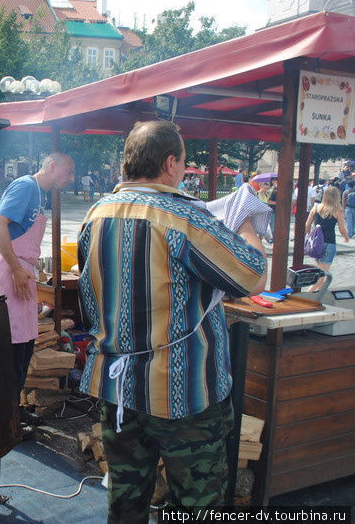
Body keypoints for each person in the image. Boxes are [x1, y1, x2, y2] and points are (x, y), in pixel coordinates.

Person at [77, 121, 266, 522]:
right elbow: (250, 275)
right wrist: (248, 221)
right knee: (199, 506)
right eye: (183, 162)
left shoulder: (94, 215)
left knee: (126, 502)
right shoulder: (181, 218)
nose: (183, 169)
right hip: (184, 396)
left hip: (119, 390)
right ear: (169, 163)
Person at [0, 152, 75, 422]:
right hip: (9, 270)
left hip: (23, 269)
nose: (70, 178)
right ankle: (3, 416)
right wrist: (15, 270)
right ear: (52, 166)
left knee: (24, 344)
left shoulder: (40, 193)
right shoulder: (26, 186)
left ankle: (13, 409)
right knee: (12, 346)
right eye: (68, 172)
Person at [305, 186, 350, 292]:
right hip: (329, 242)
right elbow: (342, 229)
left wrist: (309, 235)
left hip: (316, 244)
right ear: (336, 197)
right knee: (322, 276)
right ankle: (309, 296)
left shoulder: (316, 208)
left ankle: (316, 298)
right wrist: (346, 237)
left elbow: (307, 225)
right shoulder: (337, 211)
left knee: (321, 273)